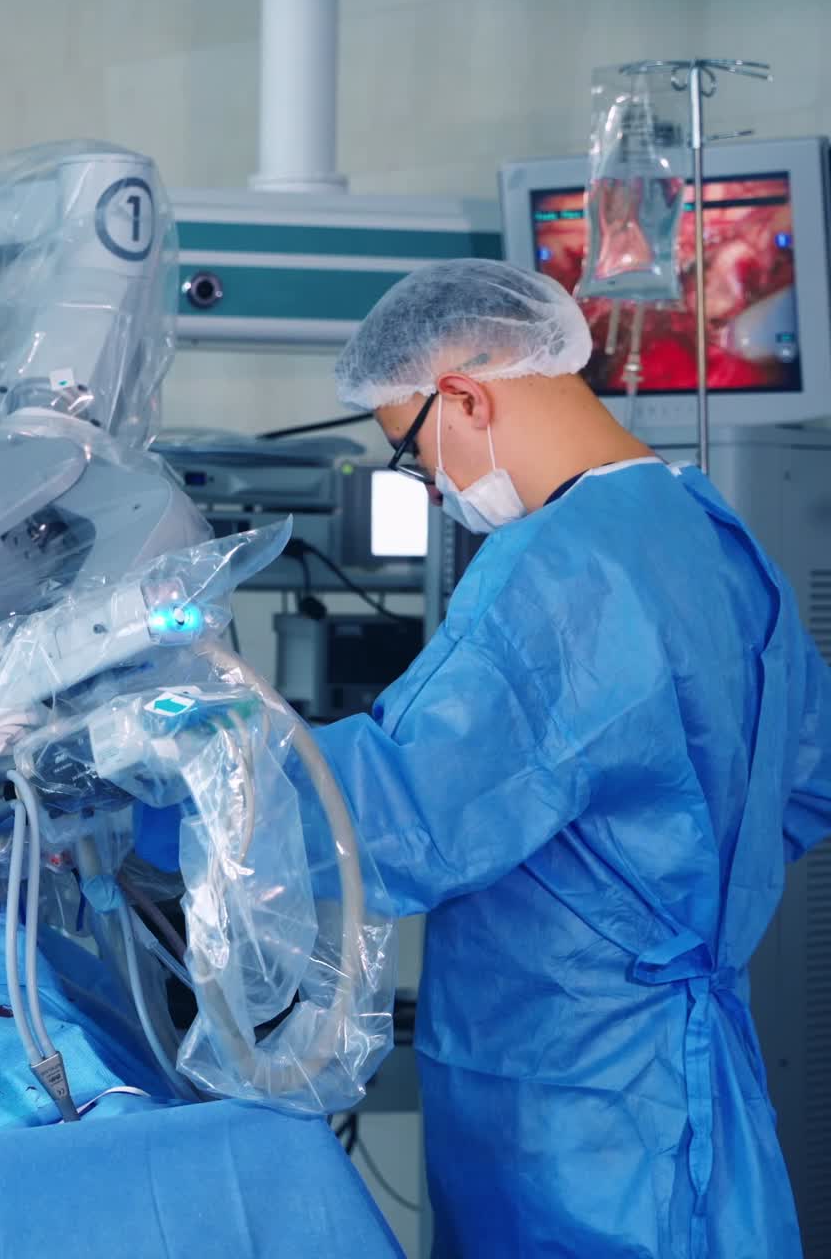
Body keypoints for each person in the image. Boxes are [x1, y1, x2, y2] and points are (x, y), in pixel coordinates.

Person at [320, 258, 831, 1258]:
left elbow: (401, 814)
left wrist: (193, 768)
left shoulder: (554, 567)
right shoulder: (715, 534)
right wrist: (655, 885)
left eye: (415, 456)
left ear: (462, 395)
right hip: (686, 1080)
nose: (431, 489)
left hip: (575, 1102)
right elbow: (801, 785)